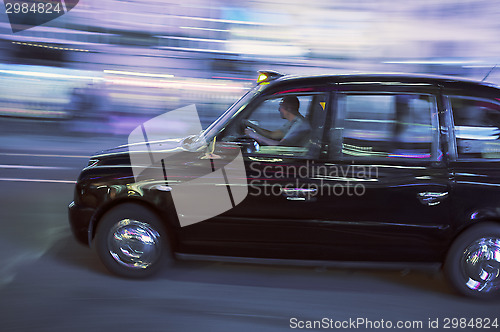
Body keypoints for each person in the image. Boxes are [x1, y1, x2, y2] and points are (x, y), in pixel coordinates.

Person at [243, 96, 311, 146]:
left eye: (281, 107)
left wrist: (254, 135)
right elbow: (272, 135)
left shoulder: (299, 124)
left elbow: (280, 146)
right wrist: (251, 125)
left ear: (289, 108)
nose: (279, 109)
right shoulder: (292, 122)